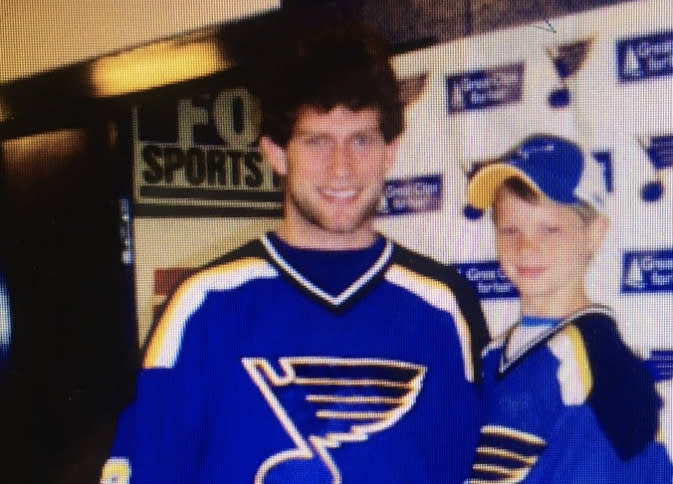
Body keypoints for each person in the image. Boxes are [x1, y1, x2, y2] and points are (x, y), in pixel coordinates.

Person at [100, 23, 489, 484]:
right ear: (277, 155)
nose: (341, 167)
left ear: (390, 152)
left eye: (361, 140)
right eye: (317, 141)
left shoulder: (443, 308)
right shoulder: (202, 307)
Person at [463, 134, 673, 483]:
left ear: (594, 233)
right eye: (510, 229)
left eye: (549, 230)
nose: (526, 248)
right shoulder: (495, 354)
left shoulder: (594, 363)